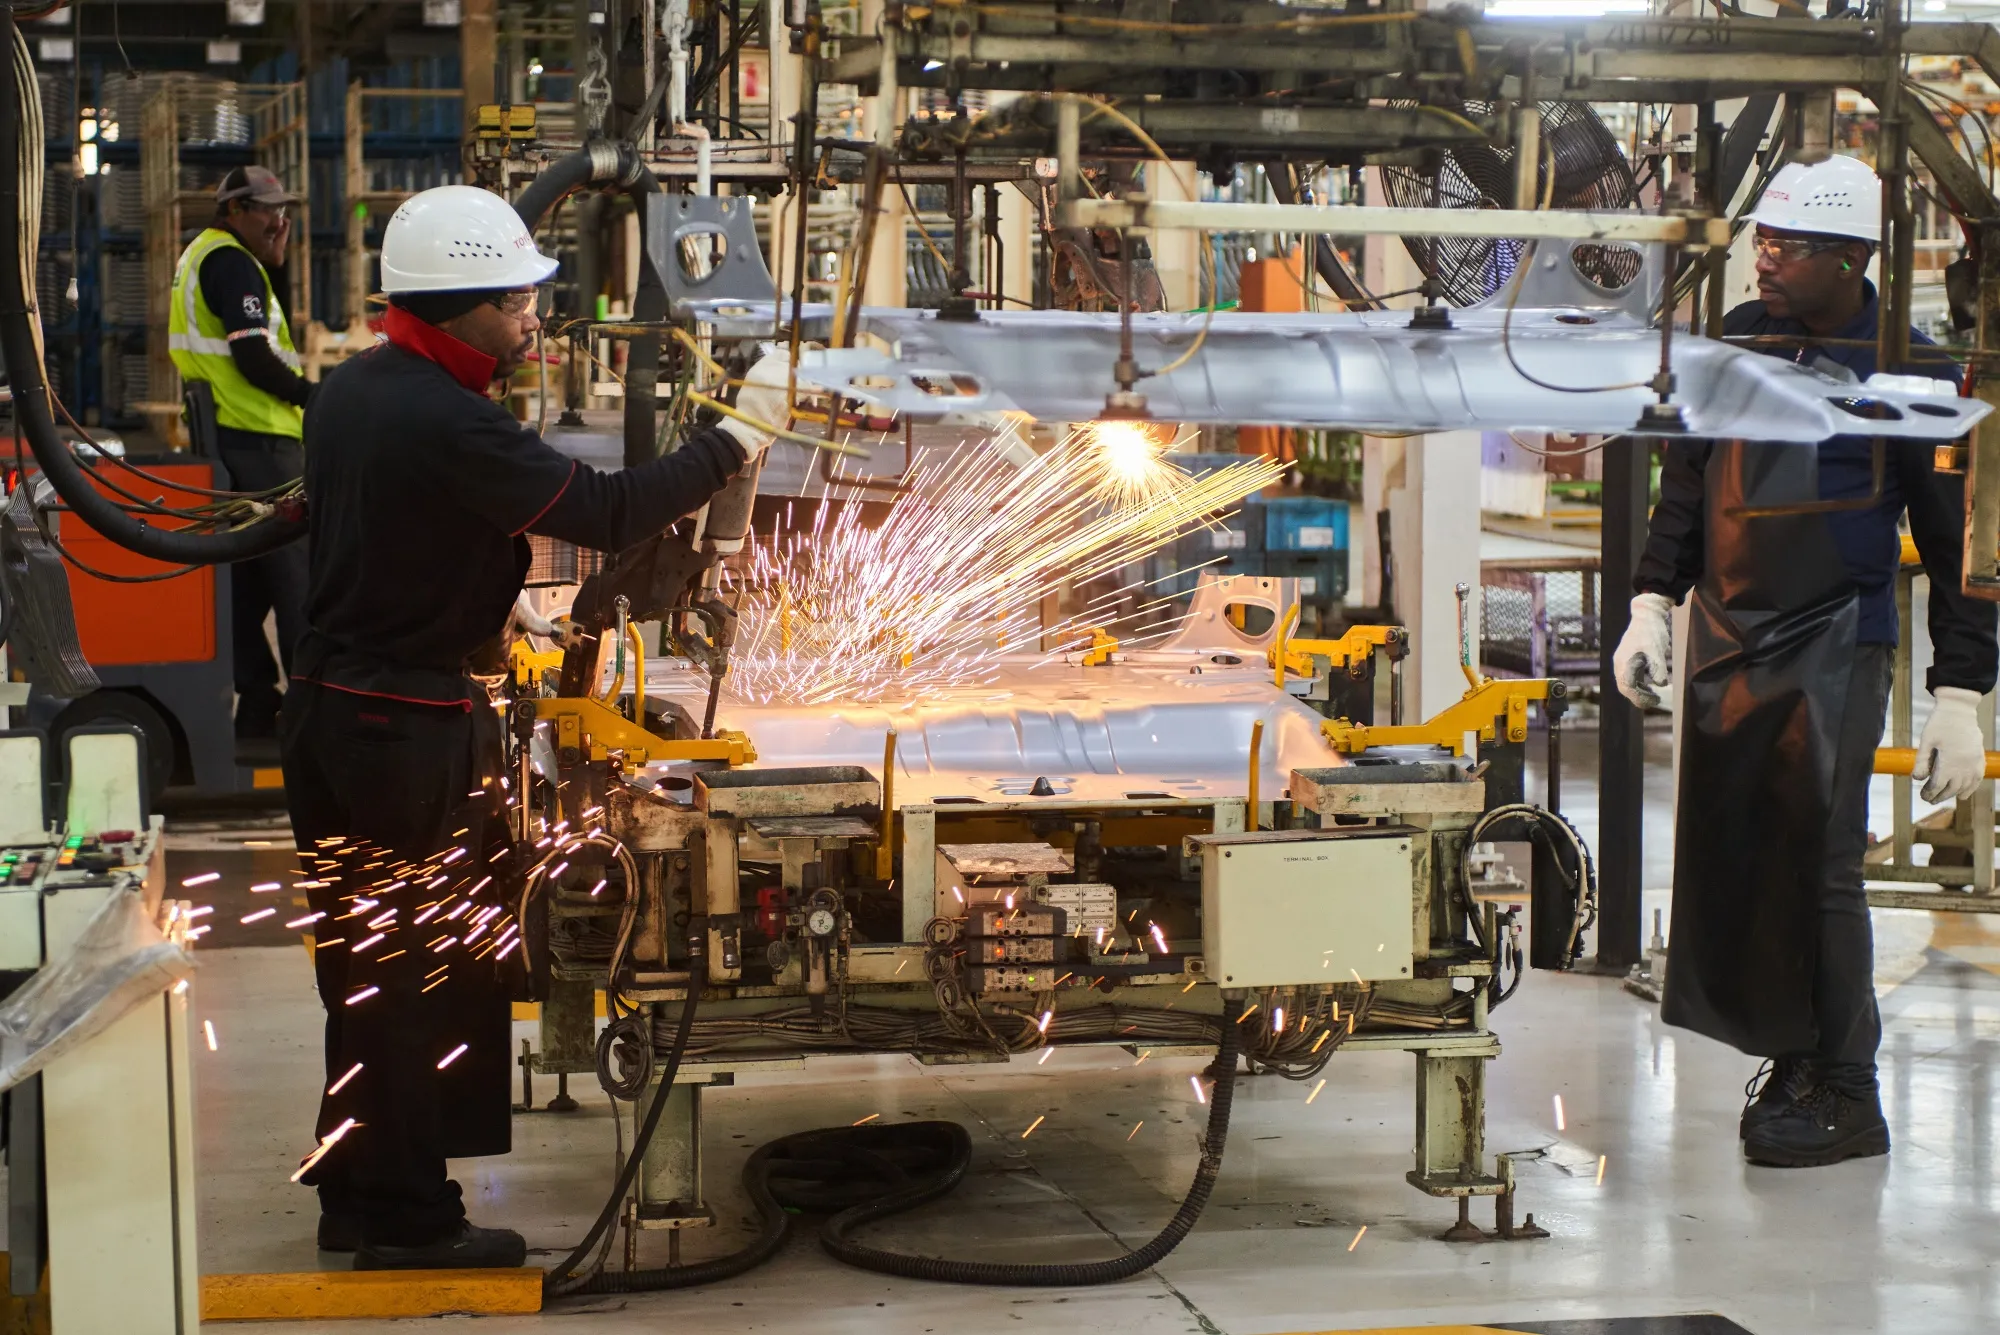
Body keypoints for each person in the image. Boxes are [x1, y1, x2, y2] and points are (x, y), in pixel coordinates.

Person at [280, 184, 787, 1269]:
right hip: (399, 730)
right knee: (416, 974)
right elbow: (602, 513)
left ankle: (356, 1194)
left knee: (360, 972)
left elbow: (386, 526)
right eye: (514, 300)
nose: (531, 319)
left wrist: (483, 594)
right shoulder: (440, 412)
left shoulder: (359, 391)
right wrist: (732, 438)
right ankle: (412, 1225)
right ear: (456, 303)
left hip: (334, 714)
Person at [1613, 153, 1998, 1169]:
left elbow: (1962, 548)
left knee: (1819, 871)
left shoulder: (1905, 371)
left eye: (1783, 249)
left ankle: (1847, 1086)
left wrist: (1959, 690)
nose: (1761, 262)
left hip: (1834, 638)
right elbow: (1687, 487)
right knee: (1736, 856)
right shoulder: (1736, 343)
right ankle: (1788, 1053)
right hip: (1727, 635)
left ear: (1848, 259)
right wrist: (1651, 601)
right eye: (1760, 243)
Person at [168, 165, 315, 753]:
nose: (280, 219)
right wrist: (315, 397)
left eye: (285, 209)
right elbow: (255, 357)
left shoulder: (211, 255)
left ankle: (258, 704)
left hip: (233, 438)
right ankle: (311, 710)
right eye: (267, 210)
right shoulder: (229, 263)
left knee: (245, 584)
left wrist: (275, 262)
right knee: (297, 578)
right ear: (233, 210)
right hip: (259, 439)